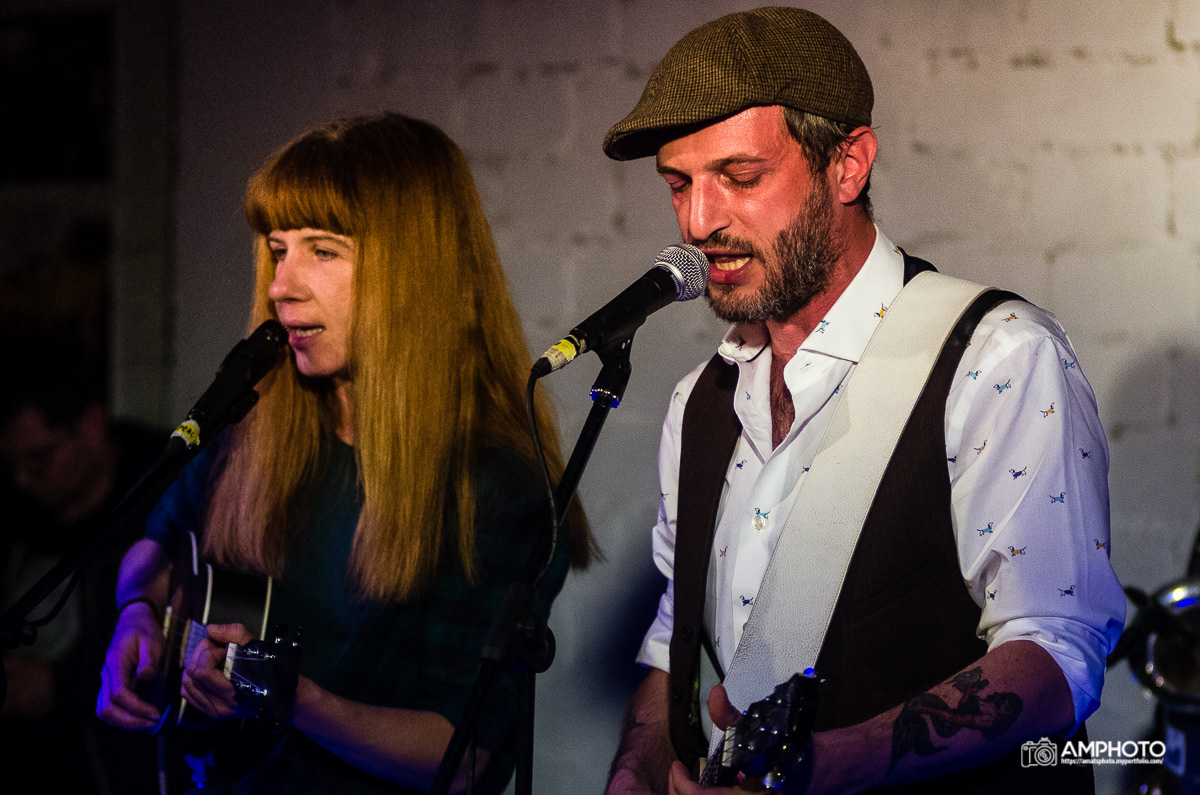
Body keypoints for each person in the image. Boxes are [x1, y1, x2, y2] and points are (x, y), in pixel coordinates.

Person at [600, 8, 1123, 795]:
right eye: (680, 184)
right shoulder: (699, 402)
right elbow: (672, 641)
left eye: (740, 176)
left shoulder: (996, 358)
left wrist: (820, 768)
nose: (698, 221)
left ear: (848, 165)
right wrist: (631, 776)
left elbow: (1055, 655)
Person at [95, 113, 593, 794]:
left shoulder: (497, 489)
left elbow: (466, 759)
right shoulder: (254, 426)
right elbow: (155, 547)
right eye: (278, 249)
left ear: (414, 271)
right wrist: (136, 614)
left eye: (323, 251)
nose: (281, 285)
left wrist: (292, 699)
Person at [0, 345, 162, 794]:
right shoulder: (18, 516)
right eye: (11, 464)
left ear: (91, 426)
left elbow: (182, 652)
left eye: (40, 458)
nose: (22, 480)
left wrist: (60, 687)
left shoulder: (161, 501)